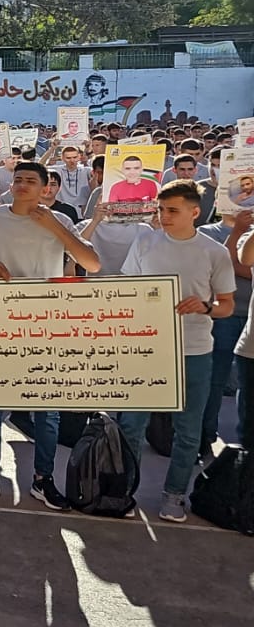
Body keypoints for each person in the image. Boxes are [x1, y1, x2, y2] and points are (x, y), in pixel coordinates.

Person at [0, 161, 102, 510]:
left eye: (30, 180)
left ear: (45, 187)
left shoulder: (58, 220)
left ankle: (42, 478)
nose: (22, 185)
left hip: (45, 326)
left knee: (47, 412)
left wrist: (54, 227)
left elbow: (92, 264)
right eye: (17, 179)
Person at [113, 180, 237, 522]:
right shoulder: (145, 241)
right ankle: (125, 490)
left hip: (194, 351)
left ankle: (175, 494)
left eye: (172, 210)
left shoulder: (214, 252)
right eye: (160, 209)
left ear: (195, 212)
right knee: (132, 425)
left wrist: (205, 307)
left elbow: (227, 305)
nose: (164, 216)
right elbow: (127, 287)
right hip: (146, 348)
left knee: (188, 429)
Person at [197, 208, 251, 457]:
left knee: (245, 384)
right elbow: (228, 263)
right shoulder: (207, 232)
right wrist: (238, 230)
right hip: (225, 316)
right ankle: (205, 436)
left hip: (249, 317)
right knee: (215, 379)